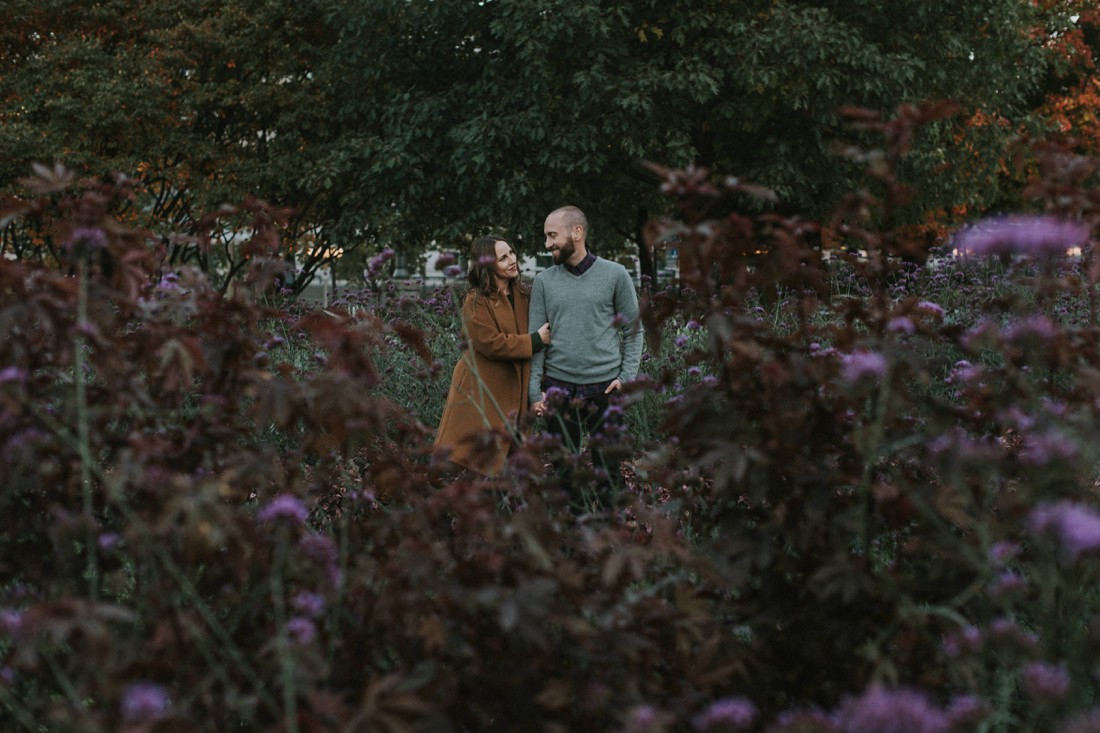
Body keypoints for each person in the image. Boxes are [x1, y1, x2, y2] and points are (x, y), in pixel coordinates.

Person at [528, 205, 642, 503]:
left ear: (576, 232)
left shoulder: (616, 275)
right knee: (565, 472)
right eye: (546, 236)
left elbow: (634, 331)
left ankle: (609, 535)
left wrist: (626, 378)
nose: (547, 243)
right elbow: (536, 340)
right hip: (557, 388)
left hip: (604, 388)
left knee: (608, 471)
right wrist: (533, 393)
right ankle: (572, 536)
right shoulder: (544, 282)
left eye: (552, 235)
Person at [435, 235, 552, 477]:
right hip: (484, 388)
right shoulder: (475, 300)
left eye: (511, 253)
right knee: (479, 464)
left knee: (512, 462)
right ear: (488, 265)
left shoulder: (524, 295)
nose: (512, 260)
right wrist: (536, 340)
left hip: (516, 387)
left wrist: (539, 388)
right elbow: (492, 344)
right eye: (503, 257)